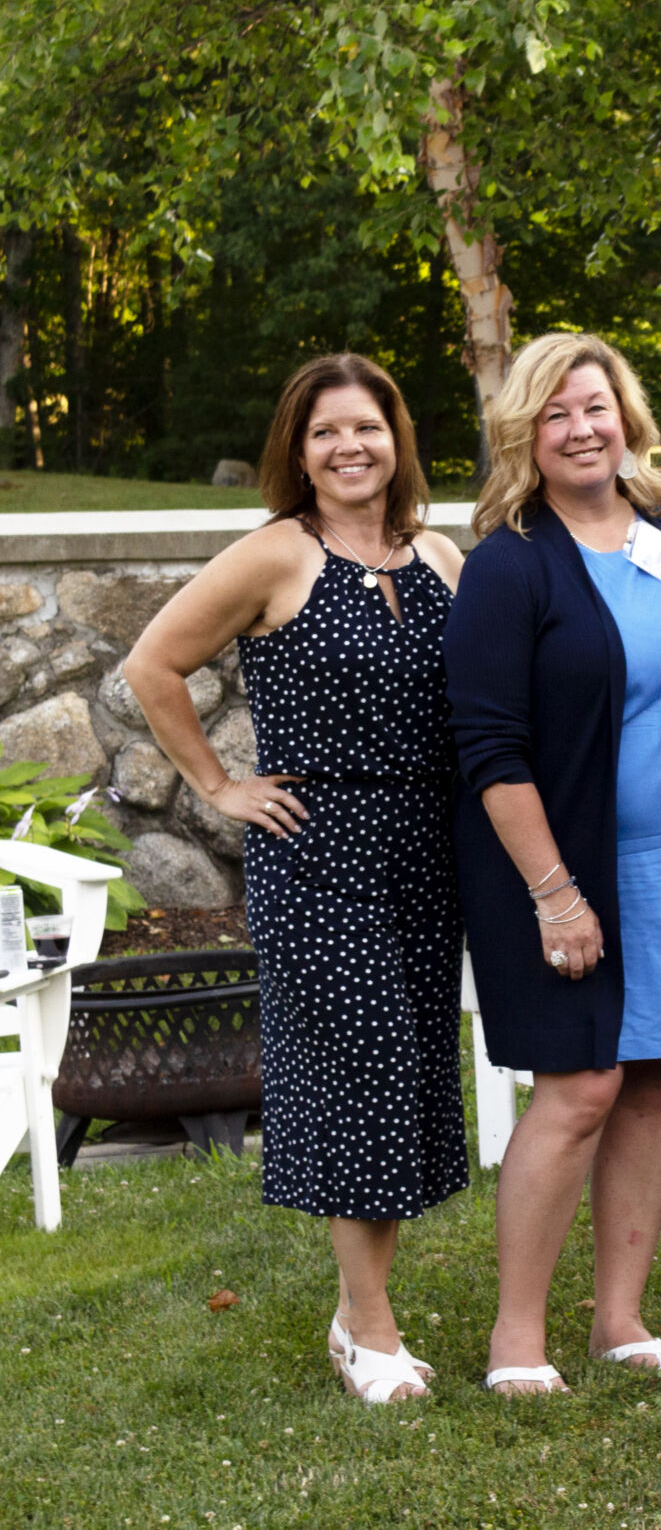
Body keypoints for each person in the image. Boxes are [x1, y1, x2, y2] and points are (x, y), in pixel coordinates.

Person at [126, 355, 464, 1406]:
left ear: (396, 437)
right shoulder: (277, 554)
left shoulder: (442, 556)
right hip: (317, 849)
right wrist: (218, 781)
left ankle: (361, 1310)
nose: (349, 447)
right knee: (359, 1071)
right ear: (299, 449)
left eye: (366, 427)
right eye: (326, 433)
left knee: (404, 1077)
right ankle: (367, 1329)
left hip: (426, 847)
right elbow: (151, 663)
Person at [444, 333, 661, 1395]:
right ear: (523, 436)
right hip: (564, 873)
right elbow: (490, 749)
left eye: (596, 408)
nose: (582, 430)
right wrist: (554, 893)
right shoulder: (509, 565)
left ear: (626, 418)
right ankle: (516, 1339)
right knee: (577, 1089)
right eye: (556, 415)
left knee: (648, 1085)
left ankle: (619, 1321)